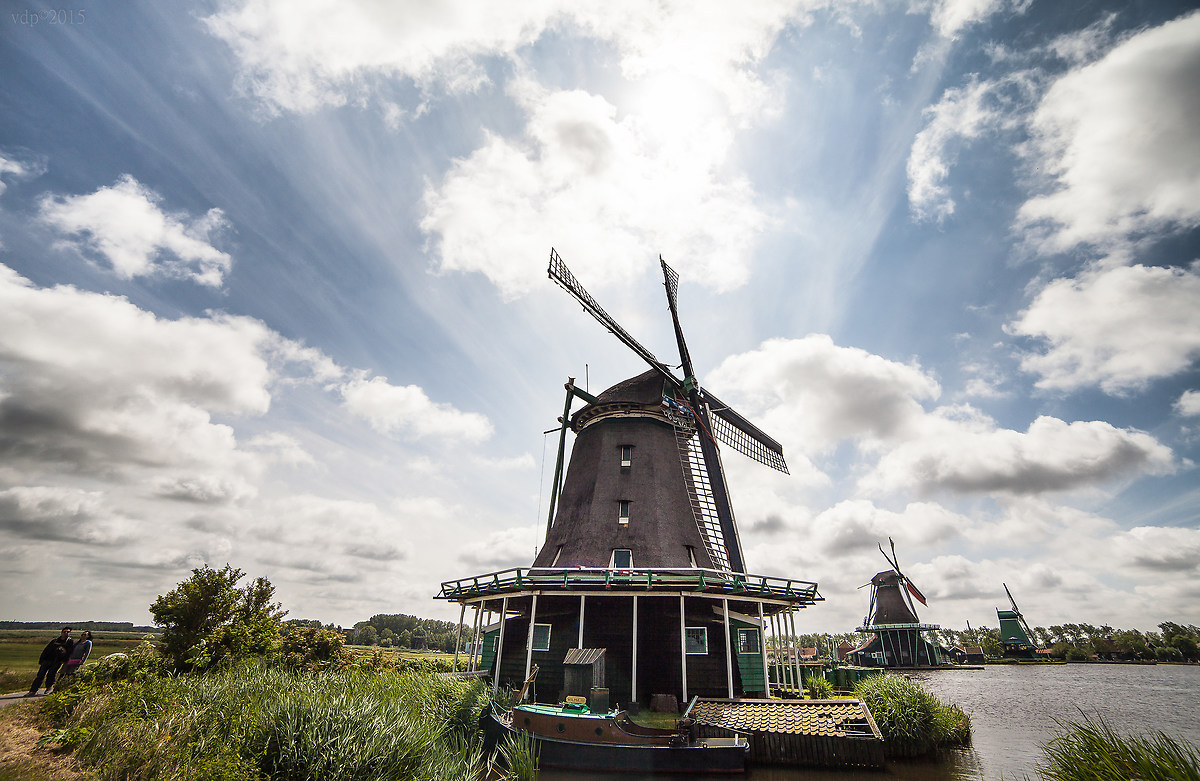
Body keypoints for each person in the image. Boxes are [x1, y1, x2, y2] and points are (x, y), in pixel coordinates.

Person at [26, 627, 73, 696]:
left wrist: (64, 660)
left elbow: (69, 652)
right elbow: (46, 650)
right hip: (47, 659)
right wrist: (41, 659)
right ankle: (33, 690)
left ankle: (49, 688)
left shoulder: (69, 641)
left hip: (57, 661)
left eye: (67, 632)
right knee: (40, 675)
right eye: (64, 632)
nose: (65, 633)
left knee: (51, 674)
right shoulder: (55, 640)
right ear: (61, 632)